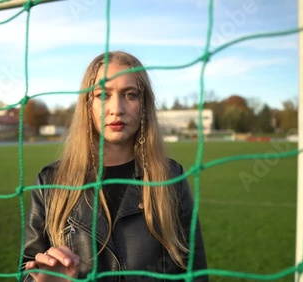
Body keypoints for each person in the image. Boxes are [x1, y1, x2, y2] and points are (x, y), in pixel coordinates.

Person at [22, 51, 208, 282]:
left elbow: (195, 270)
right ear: (87, 104)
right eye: (103, 95)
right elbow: (27, 268)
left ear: (144, 104)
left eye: (130, 95)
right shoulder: (50, 182)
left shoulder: (171, 177)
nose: (116, 108)